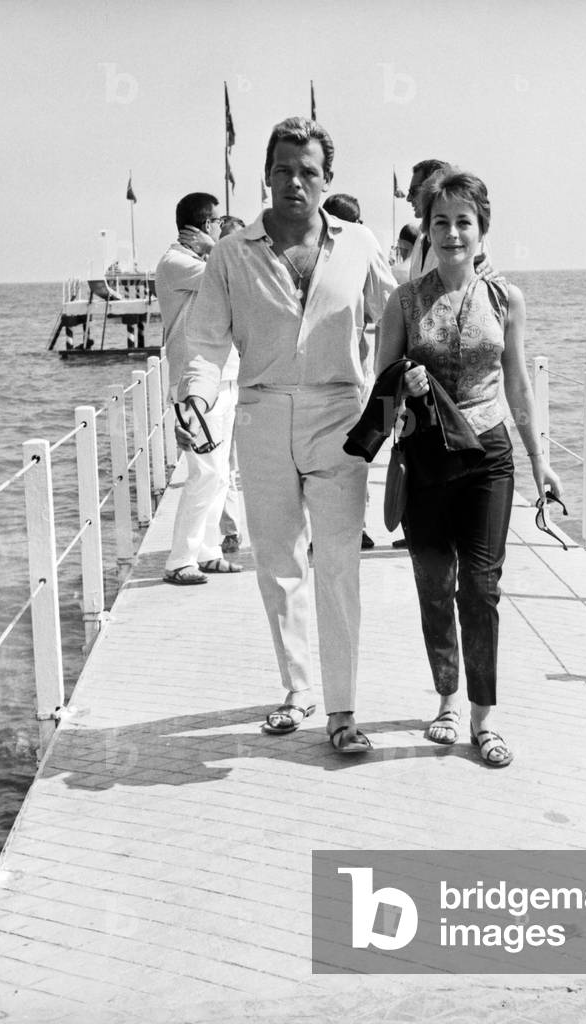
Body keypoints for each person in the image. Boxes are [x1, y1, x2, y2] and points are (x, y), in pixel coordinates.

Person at [179, 116, 396, 753]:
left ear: (327, 179)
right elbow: (204, 342)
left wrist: (389, 409)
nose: (295, 182)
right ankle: (297, 690)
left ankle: (343, 711)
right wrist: (194, 396)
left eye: (308, 171)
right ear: (265, 176)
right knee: (278, 566)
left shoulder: (358, 243)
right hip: (261, 414)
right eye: (282, 170)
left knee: (337, 567)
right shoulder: (229, 253)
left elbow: (399, 317)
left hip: (340, 415)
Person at [374, 168, 562, 767]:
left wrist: (542, 464)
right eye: (441, 222)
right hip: (427, 459)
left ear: (482, 230)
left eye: (464, 222)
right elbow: (380, 391)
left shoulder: (506, 298)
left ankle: (484, 717)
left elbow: (518, 384)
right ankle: (447, 702)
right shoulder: (402, 301)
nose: (453, 233)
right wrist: (400, 394)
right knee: (434, 585)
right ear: (426, 231)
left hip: (488, 456)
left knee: (480, 588)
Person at [156, 192, 242, 585]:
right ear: (203, 225)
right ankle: (179, 559)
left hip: (222, 378)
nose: (219, 230)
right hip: (193, 385)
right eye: (216, 223)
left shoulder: (198, 261)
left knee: (220, 474)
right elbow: (230, 274)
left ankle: (206, 552)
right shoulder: (176, 263)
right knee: (204, 472)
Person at [322, 192, 376, 551]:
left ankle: (354, 526)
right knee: (354, 455)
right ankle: (354, 526)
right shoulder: (360, 253)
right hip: (359, 376)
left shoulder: (354, 252)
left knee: (348, 455)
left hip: (357, 375)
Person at [215, 214, 247, 555]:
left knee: (238, 462)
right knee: (221, 464)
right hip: (220, 380)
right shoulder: (215, 277)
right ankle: (228, 530)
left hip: (250, 378)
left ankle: (233, 527)